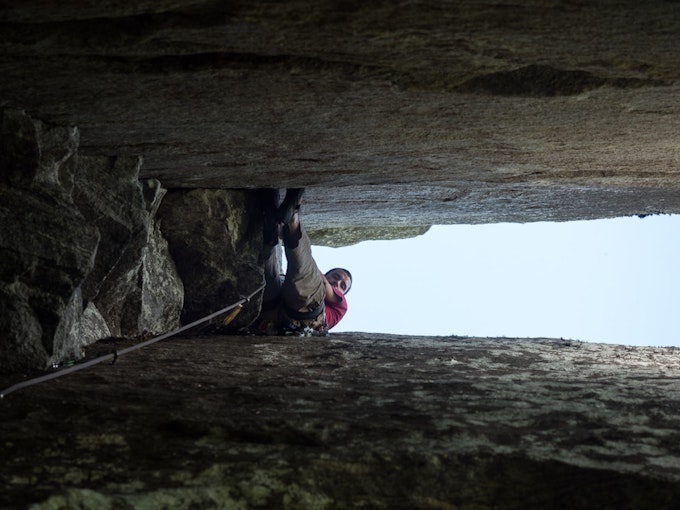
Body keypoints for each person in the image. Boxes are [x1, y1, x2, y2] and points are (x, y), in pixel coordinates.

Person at [254, 188, 352, 336]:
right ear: (326, 274)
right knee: (266, 273)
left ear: (343, 294)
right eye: (336, 277)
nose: (337, 283)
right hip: (278, 312)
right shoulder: (320, 285)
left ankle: (289, 219)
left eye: (343, 285)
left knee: (303, 282)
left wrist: (321, 276)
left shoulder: (341, 306)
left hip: (298, 319)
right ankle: (272, 223)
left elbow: (323, 285)